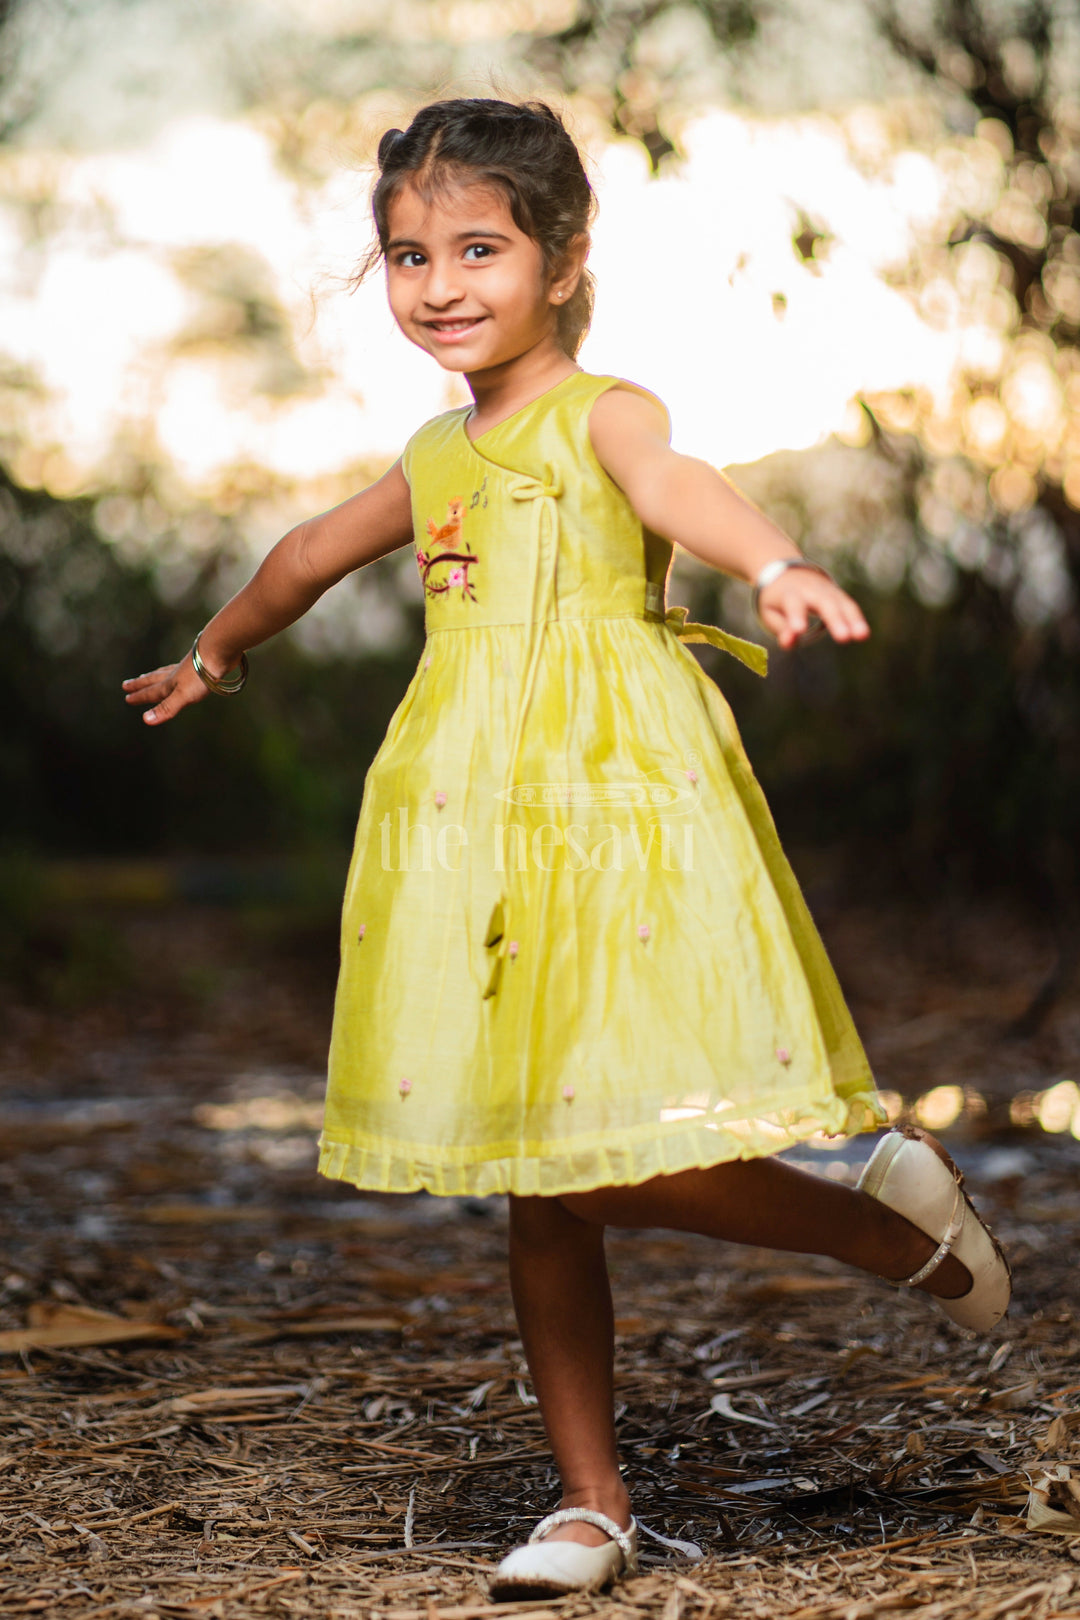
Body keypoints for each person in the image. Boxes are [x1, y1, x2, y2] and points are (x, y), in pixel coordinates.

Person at [122, 97, 1011, 1601]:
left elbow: (680, 491)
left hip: (616, 810)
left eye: (480, 247)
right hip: (470, 824)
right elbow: (308, 556)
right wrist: (218, 653)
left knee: (611, 1160)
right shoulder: (432, 448)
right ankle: (590, 1505)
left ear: (564, 257)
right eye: (408, 256)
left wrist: (775, 559)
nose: (441, 284)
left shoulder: (602, 413)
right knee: (537, 1173)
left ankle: (883, 1232)